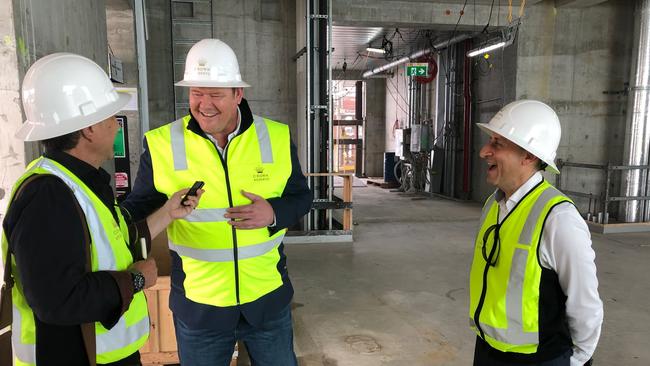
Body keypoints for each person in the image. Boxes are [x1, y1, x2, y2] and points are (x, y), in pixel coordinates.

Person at [1, 53, 202, 366]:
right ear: (88, 129)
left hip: (102, 353)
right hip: (77, 356)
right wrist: (135, 280)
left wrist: (168, 212)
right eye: (111, 117)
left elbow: (115, 240)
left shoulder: (79, 184)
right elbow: (57, 300)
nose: (116, 126)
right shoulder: (48, 196)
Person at [121, 38, 312, 365]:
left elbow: (301, 198)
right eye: (197, 93)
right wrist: (167, 212)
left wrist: (274, 213)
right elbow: (135, 213)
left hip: (266, 302)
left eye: (215, 94)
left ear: (238, 94)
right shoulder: (162, 144)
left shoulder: (276, 137)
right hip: (200, 309)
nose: (204, 104)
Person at [469, 99, 603, 366]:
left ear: (529, 156)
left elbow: (585, 304)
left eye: (497, 144)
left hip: (537, 359)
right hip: (488, 349)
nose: (484, 151)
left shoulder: (558, 218)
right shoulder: (493, 205)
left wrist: (574, 361)